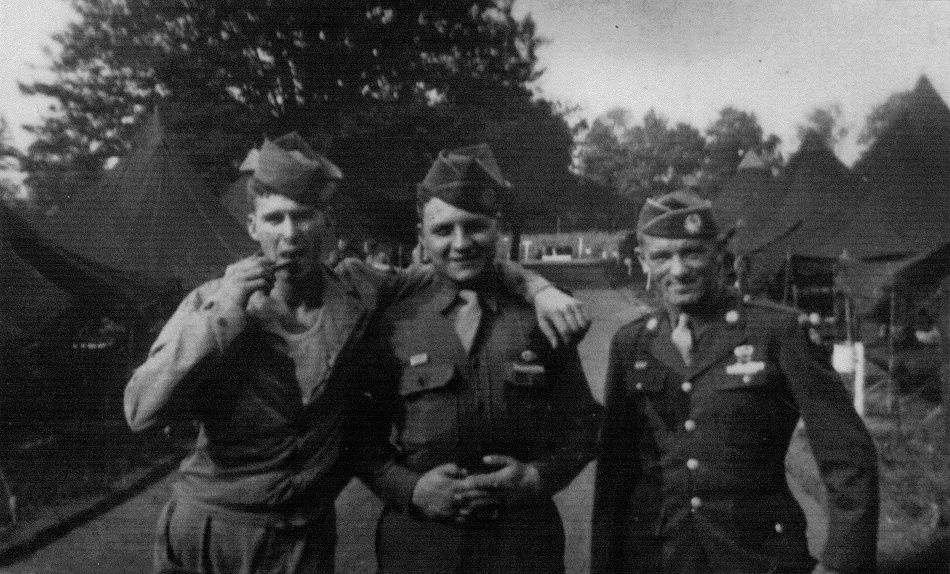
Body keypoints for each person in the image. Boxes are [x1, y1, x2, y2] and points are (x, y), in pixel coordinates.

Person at [124, 133, 588, 574]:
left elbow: (460, 262)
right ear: (252, 226)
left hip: (302, 534)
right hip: (212, 527)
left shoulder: (360, 289)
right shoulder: (211, 302)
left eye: (304, 216)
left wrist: (539, 285)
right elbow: (141, 412)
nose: (291, 234)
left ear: (326, 222)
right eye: (274, 218)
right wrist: (224, 313)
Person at [590, 190, 879, 574]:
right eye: (662, 256)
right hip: (661, 559)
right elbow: (615, 475)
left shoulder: (776, 332)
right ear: (643, 261)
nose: (678, 270)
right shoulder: (631, 343)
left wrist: (841, 565)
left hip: (759, 557)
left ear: (719, 255)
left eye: (692, 252)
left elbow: (849, 459)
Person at [359, 144, 602, 574]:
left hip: (522, 546)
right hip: (419, 546)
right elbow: (357, 436)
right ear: (421, 237)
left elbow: (583, 426)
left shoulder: (539, 318)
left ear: (498, 229)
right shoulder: (391, 321)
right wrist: (412, 489)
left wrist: (537, 478)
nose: (460, 243)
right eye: (443, 230)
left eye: (475, 227)